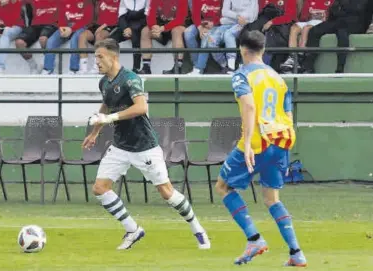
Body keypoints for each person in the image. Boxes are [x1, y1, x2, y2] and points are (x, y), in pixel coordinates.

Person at [82, 38, 210, 250]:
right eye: (96, 56)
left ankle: (198, 229)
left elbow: (141, 108)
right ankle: (133, 230)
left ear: (114, 57)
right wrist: (95, 131)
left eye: (100, 56)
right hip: (120, 146)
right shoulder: (104, 82)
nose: (97, 61)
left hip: (144, 146)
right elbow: (106, 106)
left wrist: (110, 119)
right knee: (100, 188)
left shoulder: (131, 79)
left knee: (167, 193)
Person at [215, 30, 307, 267]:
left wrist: (247, 143)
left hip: (258, 140)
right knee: (271, 198)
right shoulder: (278, 77)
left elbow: (248, 106)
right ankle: (296, 253)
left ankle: (254, 238)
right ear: (263, 50)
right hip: (282, 139)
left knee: (223, 186)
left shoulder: (241, 75)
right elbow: (288, 113)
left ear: (242, 50)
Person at [15, 0, 58, 74]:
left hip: (51, 24)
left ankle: (48, 63)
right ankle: (33, 66)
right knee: (19, 43)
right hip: (35, 26)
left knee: (43, 39)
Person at [78, 0, 120, 74]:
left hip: (111, 25)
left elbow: (118, 17)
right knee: (82, 36)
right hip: (97, 25)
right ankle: (83, 68)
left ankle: (97, 66)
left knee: (99, 36)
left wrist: (103, 26)